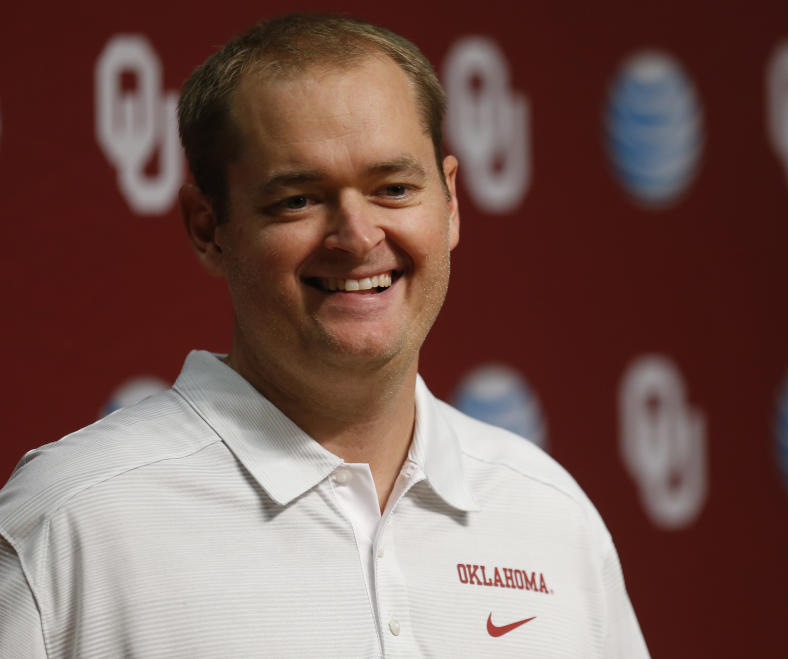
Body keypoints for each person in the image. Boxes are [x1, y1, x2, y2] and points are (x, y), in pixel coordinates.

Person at [0, 13, 650, 658]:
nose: (358, 236)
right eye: (298, 200)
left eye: (393, 188)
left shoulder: (550, 517)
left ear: (450, 203)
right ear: (207, 227)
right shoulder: (72, 519)